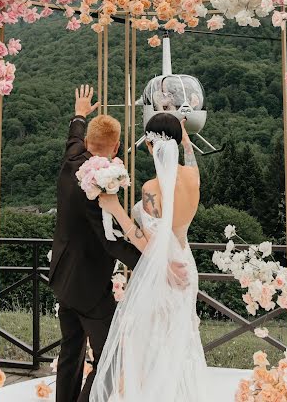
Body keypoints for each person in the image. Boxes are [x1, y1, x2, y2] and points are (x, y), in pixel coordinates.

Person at [50, 86, 189, 402]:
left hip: (61, 277)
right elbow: (112, 243)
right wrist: (157, 266)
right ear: (116, 148)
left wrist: (80, 113)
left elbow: (73, 138)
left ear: (87, 144)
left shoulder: (72, 159)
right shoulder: (98, 189)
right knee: (110, 360)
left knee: (71, 351)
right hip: (89, 289)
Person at [90, 113, 208, 402]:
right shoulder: (193, 177)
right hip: (185, 264)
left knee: (148, 342)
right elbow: (189, 155)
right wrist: (183, 133)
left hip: (164, 270)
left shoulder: (151, 189)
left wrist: (115, 207)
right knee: (178, 343)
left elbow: (148, 244)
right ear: (179, 142)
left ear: (151, 145)